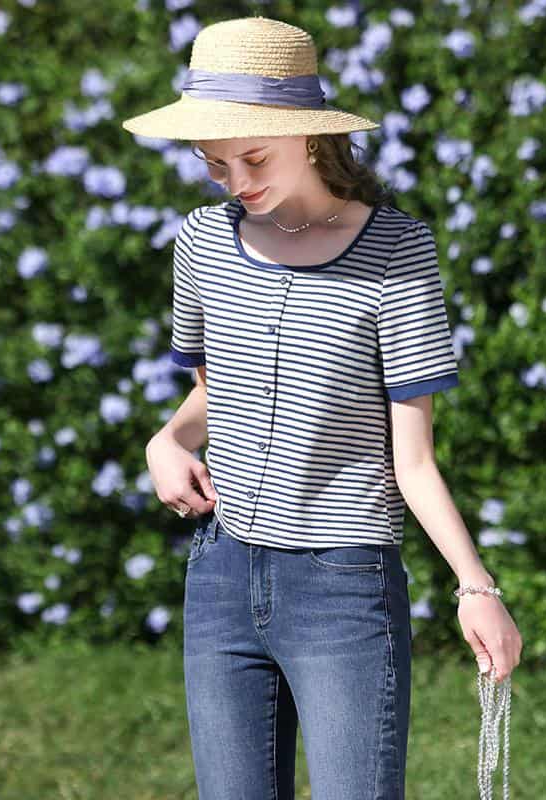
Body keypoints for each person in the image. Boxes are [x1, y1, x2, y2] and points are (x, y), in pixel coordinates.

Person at [125, 15, 522, 800]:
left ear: (308, 136)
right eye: (214, 165)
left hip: (343, 586)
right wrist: (165, 440)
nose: (236, 182)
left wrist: (476, 588)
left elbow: (414, 460)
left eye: (253, 157)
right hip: (220, 571)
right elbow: (212, 391)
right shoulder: (202, 242)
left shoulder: (398, 252)